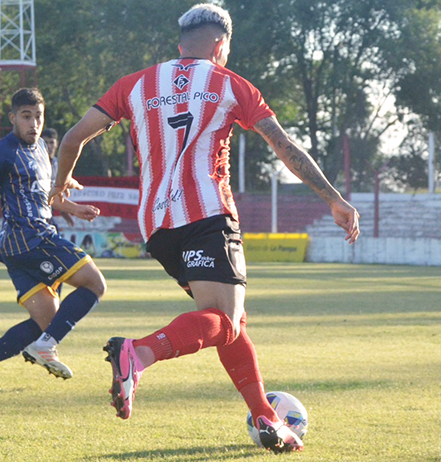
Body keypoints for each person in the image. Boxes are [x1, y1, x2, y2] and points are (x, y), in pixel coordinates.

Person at [50, 4, 359, 454]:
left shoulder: (135, 85)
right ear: (221, 45)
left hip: (156, 226)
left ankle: (265, 415)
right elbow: (283, 145)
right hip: (209, 214)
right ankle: (138, 353)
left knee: (230, 321)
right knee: (226, 322)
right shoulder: (231, 85)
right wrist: (333, 197)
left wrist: (59, 192)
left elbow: (73, 138)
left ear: (180, 46)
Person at [0, 88, 107, 388]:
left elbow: (45, 196)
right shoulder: (2, 153)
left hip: (15, 249)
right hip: (32, 237)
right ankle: (44, 347)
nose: (33, 124)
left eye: (38, 116)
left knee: (47, 321)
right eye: (26, 117)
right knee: (95, 284)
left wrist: (74, 208)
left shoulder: (41, 150)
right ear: (13, 118)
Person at [0, 127, 94, 272]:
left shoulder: (58, 164)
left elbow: (50, 194)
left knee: (36, 260)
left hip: (44, 216)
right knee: (45, 261)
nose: (50, 146)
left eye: (52, 142)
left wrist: (72, 210)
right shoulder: (28, 158)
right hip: (23, 217)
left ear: (57, 144)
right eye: (46, 142)